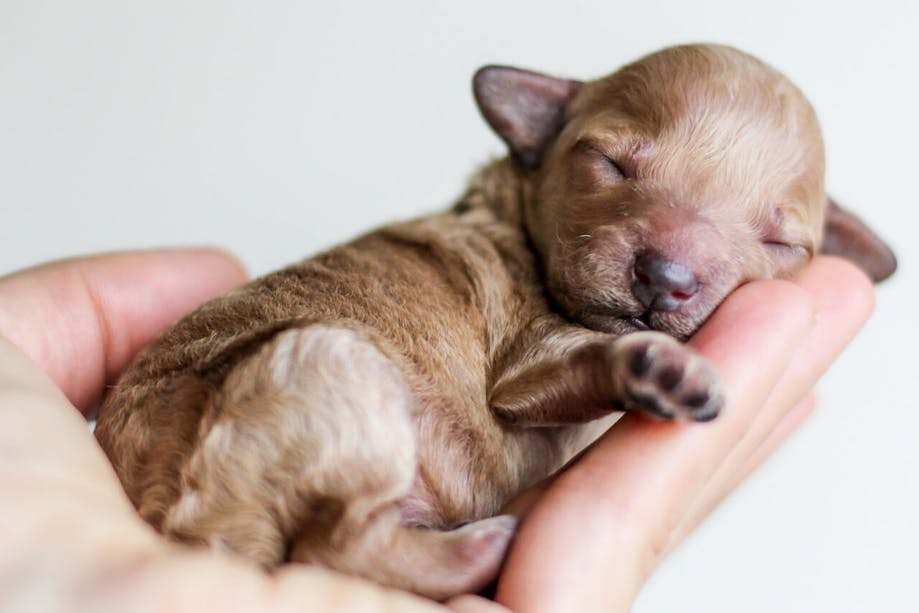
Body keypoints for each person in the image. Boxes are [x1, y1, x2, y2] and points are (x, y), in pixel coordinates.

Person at [0, 247, 874, 612]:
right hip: (267, 443)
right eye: (616, 166)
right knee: (331, 379)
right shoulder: (494, 259)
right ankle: (371, 539)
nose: (677, 260)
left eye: (769, 233)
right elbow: (527, 380)